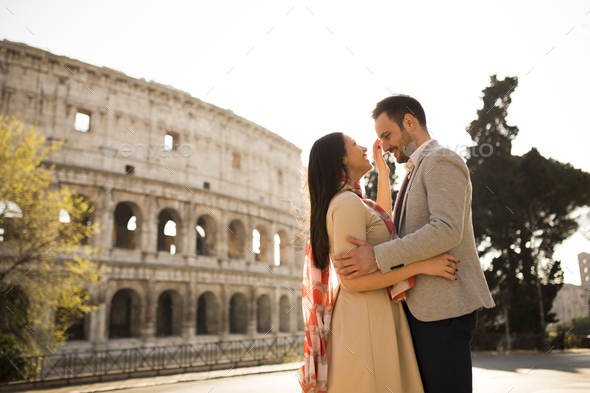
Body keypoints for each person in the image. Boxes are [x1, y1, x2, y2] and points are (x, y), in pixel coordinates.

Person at [332, 95, 496, 393]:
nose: (384, 144)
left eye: (387, 135)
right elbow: (400, 232)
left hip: (443, 310)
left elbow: (446, 230)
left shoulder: (441, 160)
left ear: (410, 122)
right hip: (427, 312)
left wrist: (377, 256)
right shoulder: (416, 169)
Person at [296, 132, 460, 393]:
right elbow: (352, 281)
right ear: (340, 158)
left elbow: (383, 225)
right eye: (353, 144)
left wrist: (383, 173)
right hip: (365, 316)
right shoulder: (347, 204)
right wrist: (422, 265)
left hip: (370, 312)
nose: (363, 147)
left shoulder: (352, 202)